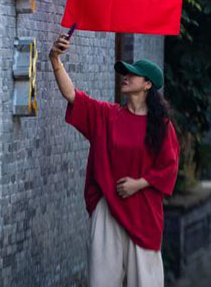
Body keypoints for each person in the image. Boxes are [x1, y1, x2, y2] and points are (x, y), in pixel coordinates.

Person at [50, 33, 179, 287]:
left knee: (145, 283)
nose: (126, 77)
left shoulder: (161, 126)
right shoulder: (107, 116)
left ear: (147, 85)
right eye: (125, 73)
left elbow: (169, 167)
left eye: (132, 74)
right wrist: (55, 59)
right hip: (108, 209)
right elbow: (73, 96)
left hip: (144, 216)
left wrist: (139, 183)